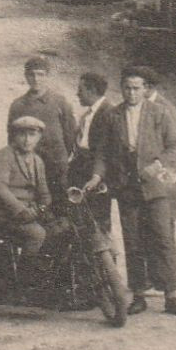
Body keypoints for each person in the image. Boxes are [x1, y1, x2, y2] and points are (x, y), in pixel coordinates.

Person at [86, 65, 176, 317]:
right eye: (127, 88)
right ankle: (139, 294)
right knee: (133, 241)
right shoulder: (113, 116)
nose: (131, 93)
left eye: (136, 88)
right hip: (126, 187)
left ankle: (170, 295)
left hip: (155, 187)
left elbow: (174, 147)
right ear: (121, 89)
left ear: (145, 89)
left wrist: (157, 165)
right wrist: (97, 176)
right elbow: (102, 153)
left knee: (162, 238)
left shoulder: (159, 113)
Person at [0, 116, 52, 293]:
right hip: (6, 213)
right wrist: (21, 210)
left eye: (32, 135)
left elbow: (44, 192)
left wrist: (43, 207)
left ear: (39, 137)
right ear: (14, 136)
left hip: (30, 213)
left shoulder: (37, 161)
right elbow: (0, 188)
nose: (27, 140)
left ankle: (46, 276)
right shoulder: (4, 156)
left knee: (59, 229)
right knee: (37, 234)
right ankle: (25, 281)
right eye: (22, 135)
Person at [7, 56, 77, 197]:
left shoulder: (59, 102)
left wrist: (59, 157)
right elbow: (12, 138)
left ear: (47, 76)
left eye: (40, 74)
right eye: (31, 74)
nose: (36, 79)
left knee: (60, 207)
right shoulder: (18, 105)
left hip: (56, 166)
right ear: (26, 76)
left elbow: (70, 135)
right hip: (29, 167)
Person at [67, 72, 114, 233]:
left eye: (80, 89)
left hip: (95, 174)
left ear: (91, 90)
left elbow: (107, 151)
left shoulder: (109, 112)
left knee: (97, 222)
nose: (77, 94)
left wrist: (97, 176)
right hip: (81, 169)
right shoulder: (89, 113)